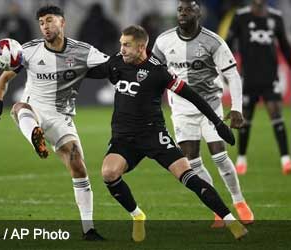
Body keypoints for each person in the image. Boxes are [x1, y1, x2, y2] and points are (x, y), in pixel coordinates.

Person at [87, 25, 247, 242]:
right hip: (124, 139)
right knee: (109, 173)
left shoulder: (158, 72)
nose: (121, 49)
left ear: (141, 46)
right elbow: (89, 71)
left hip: (154, 136)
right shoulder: (116, 62)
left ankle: (230, 220)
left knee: (188, 176)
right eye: (121, 44)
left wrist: (217, 123)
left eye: (126, 45)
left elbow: (193, 96)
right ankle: (137, 216)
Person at [0, 5, 108, 240]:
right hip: (35, 109)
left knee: (78, 166)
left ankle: (89, 229)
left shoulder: (82, 51)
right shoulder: (29, 51)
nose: (45, 26)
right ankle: (36, 138)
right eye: (41, 22)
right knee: (19, 108)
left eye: (50, 21)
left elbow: (109, 66)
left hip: (61, 117)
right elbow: (4, 78)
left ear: (62, 23)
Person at [152, 0, 254, 228]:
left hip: (210, 106)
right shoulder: (163, 40)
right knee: (192, 161)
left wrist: (236, 107)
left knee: (219, 155)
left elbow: (233, 75)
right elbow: (152, 72)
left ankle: (239, 201)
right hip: (180, 109)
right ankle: (218, 208)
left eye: (189, 9)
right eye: (180, 9)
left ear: (199, 13)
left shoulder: (213, 41)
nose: (183, 13)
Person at [226, 0, 291, 175]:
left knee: (276, 114)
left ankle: (286, 160)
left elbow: (285, 46)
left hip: (270, 77)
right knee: (245, 118)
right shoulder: (241, 16)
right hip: (249, 78)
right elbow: (228, 44)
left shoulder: (275, 17)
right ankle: (241, 159)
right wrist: (225, 68)